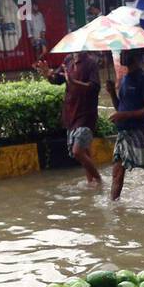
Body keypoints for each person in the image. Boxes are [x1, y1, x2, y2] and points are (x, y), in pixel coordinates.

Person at [105, 49, 144, 201]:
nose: (120, 56)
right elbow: (120, 107)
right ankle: (114, 210)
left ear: (132, 56)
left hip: (139, 133)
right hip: (123, 134)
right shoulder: (125, 78)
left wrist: (123, 115)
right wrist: (112, 93)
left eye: (123, 53)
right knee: (117, 174)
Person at [36, 51, 103, 186]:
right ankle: (92, 183)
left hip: (86, 113)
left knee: (77, 151)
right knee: (84, 152)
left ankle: (99, 180)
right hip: (71, 111)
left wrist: (74, 82)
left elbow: (95, 87)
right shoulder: (68, 60)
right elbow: (58, 79)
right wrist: (48, 75)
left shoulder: (91, 63)